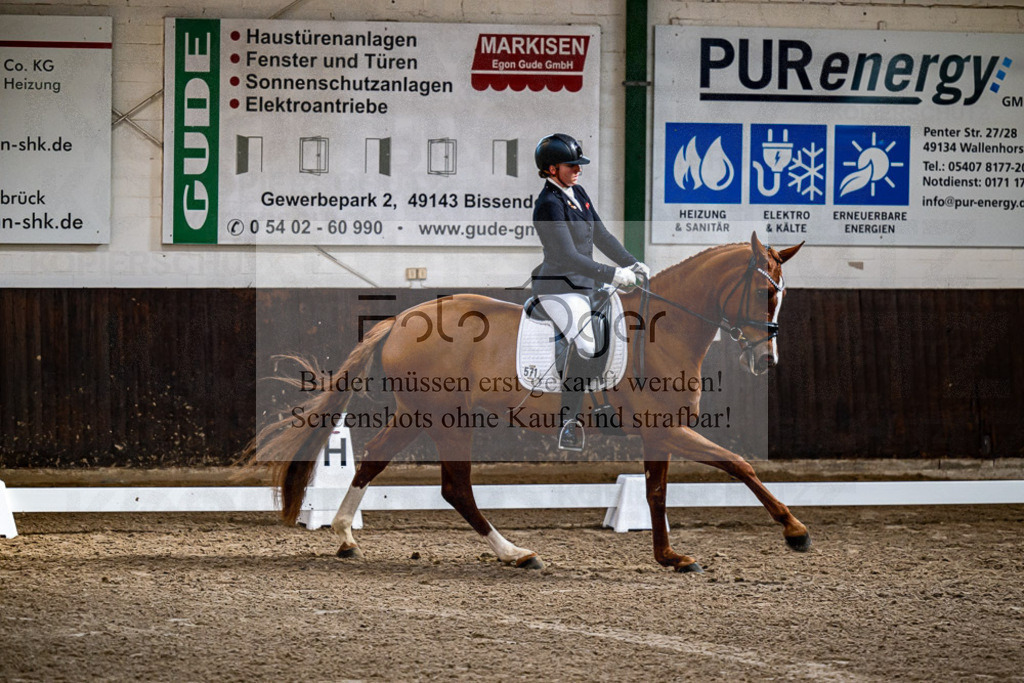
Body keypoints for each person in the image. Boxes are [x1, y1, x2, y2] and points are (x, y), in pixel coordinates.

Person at [531, 133, 650, 450]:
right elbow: (568, 256)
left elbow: (602, 235)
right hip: (559, 287)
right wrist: (614, 274)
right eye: (572, 165)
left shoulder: (577, 193)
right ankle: (567, 423)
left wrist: (632, 263)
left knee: (617, 331)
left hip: (587, 284)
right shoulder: (548, 205)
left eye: (578, 165)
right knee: (586, 343)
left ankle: (604, 406)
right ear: (552, 169)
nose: (578, 169)